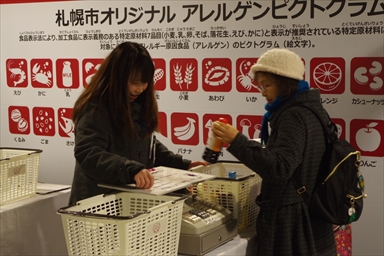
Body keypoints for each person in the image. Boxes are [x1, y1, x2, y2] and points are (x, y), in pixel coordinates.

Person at [211, 49, 336, 255]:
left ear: (286, 83)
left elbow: (279, 168)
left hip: (295, 223)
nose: (262, 92)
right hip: (312, 217)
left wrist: (236, 141)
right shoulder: (311, 108)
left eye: (266, 85)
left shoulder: (294, 115)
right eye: (260, 86)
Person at [69, 41, 207, 205]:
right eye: (134, 82)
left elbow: (147, 146)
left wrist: (183, 165)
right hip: (97, 204)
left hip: (129, 202)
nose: (139, 89)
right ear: (117, 78)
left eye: (144, 82)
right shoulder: (95, 109)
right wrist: (130, 169)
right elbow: (88, 152)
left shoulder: (137, 104)